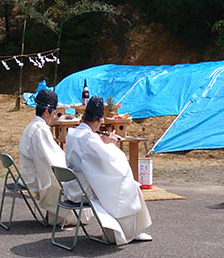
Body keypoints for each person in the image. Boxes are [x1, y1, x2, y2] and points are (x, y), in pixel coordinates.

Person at [64, 96, 152, 245]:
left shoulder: (73, 134)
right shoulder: (89, 138)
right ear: (99, 121)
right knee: (128, 184)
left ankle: (127, 230)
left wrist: (103, 143)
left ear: (84, 117)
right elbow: (112, 162)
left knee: (122, 183)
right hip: (85, 189)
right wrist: (111, 144)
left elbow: (94, 159)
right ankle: (130, 232)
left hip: (73, 185)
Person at [18, 89, 90, 226]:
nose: (55, 117)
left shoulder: (33, 126)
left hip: (28, 172)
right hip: (34, 175)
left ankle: (58, 216)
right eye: (55, 113)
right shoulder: (40, 130)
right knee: (67, 181)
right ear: (47, 112)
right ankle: (64, 218)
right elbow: (51, 160)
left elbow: (48, 155)